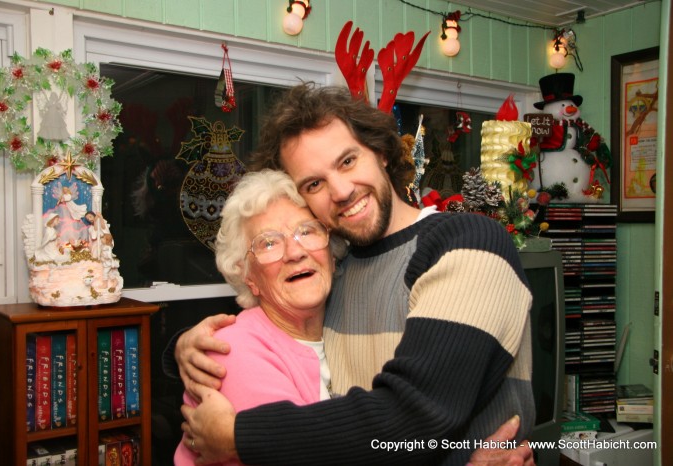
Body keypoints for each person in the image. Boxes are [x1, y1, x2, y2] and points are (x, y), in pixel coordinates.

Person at [174, 83, 536, 465]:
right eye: (314, 183)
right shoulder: (339, 269)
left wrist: (239, 436)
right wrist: (186, 347)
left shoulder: (466, 242)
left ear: (380, 151)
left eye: (347, 161)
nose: (342, 190)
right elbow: (275, 332)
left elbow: (416, 415)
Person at [174, 169, 345, 465]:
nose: (294, 252)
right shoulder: (232, 351)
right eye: (269, 243)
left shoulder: (349, 324)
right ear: (248, 276)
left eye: (306, 231)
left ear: (331, 253)